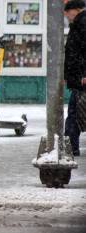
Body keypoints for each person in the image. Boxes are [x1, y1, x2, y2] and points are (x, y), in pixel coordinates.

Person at [63, 0, 86, 157]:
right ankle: (70, 147)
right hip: (78, 77)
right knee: (75, 114)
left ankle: (70, 147)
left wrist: (84, 73)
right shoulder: (79, 23)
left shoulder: (83, 23)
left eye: (68, 13)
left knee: (74, 115)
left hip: (81, 79)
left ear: (76, 10)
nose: (66, 16)